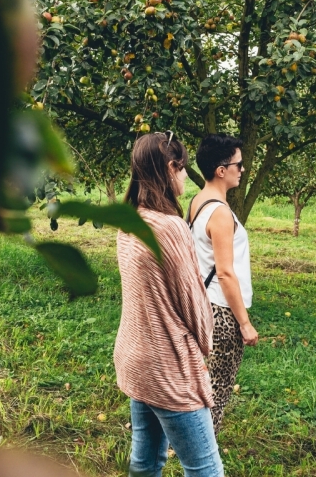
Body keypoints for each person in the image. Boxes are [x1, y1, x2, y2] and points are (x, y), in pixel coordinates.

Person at [114, 131, 224, 477]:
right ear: (170, 167)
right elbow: (193, 304)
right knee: (206, 469)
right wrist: (205, 345)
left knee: (145, 463)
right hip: (167, 367)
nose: (184, 178)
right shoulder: (170, 227)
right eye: (182, 169)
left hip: (135, 356)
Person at [187, 133, 258, 433]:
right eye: (238, 165)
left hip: (203, 305)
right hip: (222, 313)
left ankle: (185, 443)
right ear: (221, 170)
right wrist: (244, 323)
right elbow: (226, 273)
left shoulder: (197, 202)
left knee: (200, 384)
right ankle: (202, 453)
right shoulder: (220, 213)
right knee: (216, 388)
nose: (242, 170)